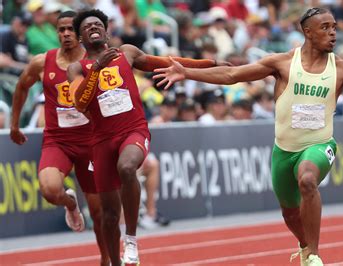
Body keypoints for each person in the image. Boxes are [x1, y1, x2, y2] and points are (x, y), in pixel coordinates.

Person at [153, 7, 343, 266]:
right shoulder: (282, 63)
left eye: (335, 27)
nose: (333, 33)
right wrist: (188, 73)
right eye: (325, 27)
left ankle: (314, 255)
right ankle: (304, 246)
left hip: (319, 145)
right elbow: (232, 75)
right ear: (307, 32)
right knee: (289, 211)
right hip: (283, 150)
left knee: (307, 181)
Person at [67, 9, 227, 266]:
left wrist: (209, 64)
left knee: (128, 167)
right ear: (80, 38)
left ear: (107, 31)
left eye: (98, 24)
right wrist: (96, 69)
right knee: (108, 216)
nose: (94, 27)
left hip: (133, 129)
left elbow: (168, 61)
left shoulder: (126, 53)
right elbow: (80, 102)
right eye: (87, 27)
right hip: (101, 139)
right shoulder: (78, 68)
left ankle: (131, 239)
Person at [9, 11, 109, 266]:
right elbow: (21, 87)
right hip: (58, 141)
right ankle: (70, 203)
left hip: (91, 143)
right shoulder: (43, 62)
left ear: (81, 32)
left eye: (70, 29)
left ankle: (106, 260)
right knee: (51, 190)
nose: (66, 34)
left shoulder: (96, 60)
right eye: (61, 29)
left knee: (99, 213)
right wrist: (14, 124)